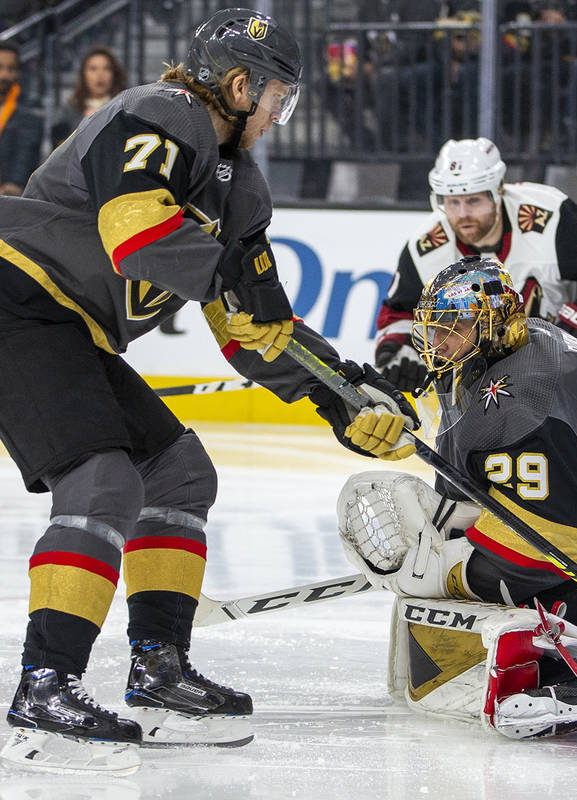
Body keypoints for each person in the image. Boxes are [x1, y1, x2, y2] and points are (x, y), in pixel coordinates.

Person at [0, 8, 417, 775]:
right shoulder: (160, 113)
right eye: (277, 98)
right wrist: (231, 272)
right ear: (238, 84)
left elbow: (254, 332)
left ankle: (156, 670)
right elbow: (135, 231)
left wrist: (340, 393)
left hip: (71, 328)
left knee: (180, 472)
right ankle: (44, 687)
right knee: (101, 480)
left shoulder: (242, 192)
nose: (279, 116)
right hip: (17, 296)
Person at [341, 254, 577, 738]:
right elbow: (502, 485)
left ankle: (568, 684)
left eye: (452, 328)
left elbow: (555, 542)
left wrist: (452, 571)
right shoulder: (529, 343)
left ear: (492, 324)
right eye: (432, 329)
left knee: (522, 643)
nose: (436, 342)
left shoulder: (519, 394)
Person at [375, 136, 577, 391]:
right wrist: (400, 354)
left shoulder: (547, 217)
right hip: (501, 374)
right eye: (453, 202)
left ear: (498, 191)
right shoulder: (427, 247)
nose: (463, 215)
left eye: (473, 200)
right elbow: (398, 314)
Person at [50, 45, 129, 149]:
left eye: (106, 68)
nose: (100, 75)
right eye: (93, 69)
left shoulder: (126, 109)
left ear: (114, 74)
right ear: (83, 74)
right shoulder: (69, 111)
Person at [0, 39, 43, 196]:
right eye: (0, 67)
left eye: (11, 69)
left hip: (11, 195)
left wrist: (14, 182)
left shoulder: (29, 106)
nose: (4, 75)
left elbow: (26, 149)